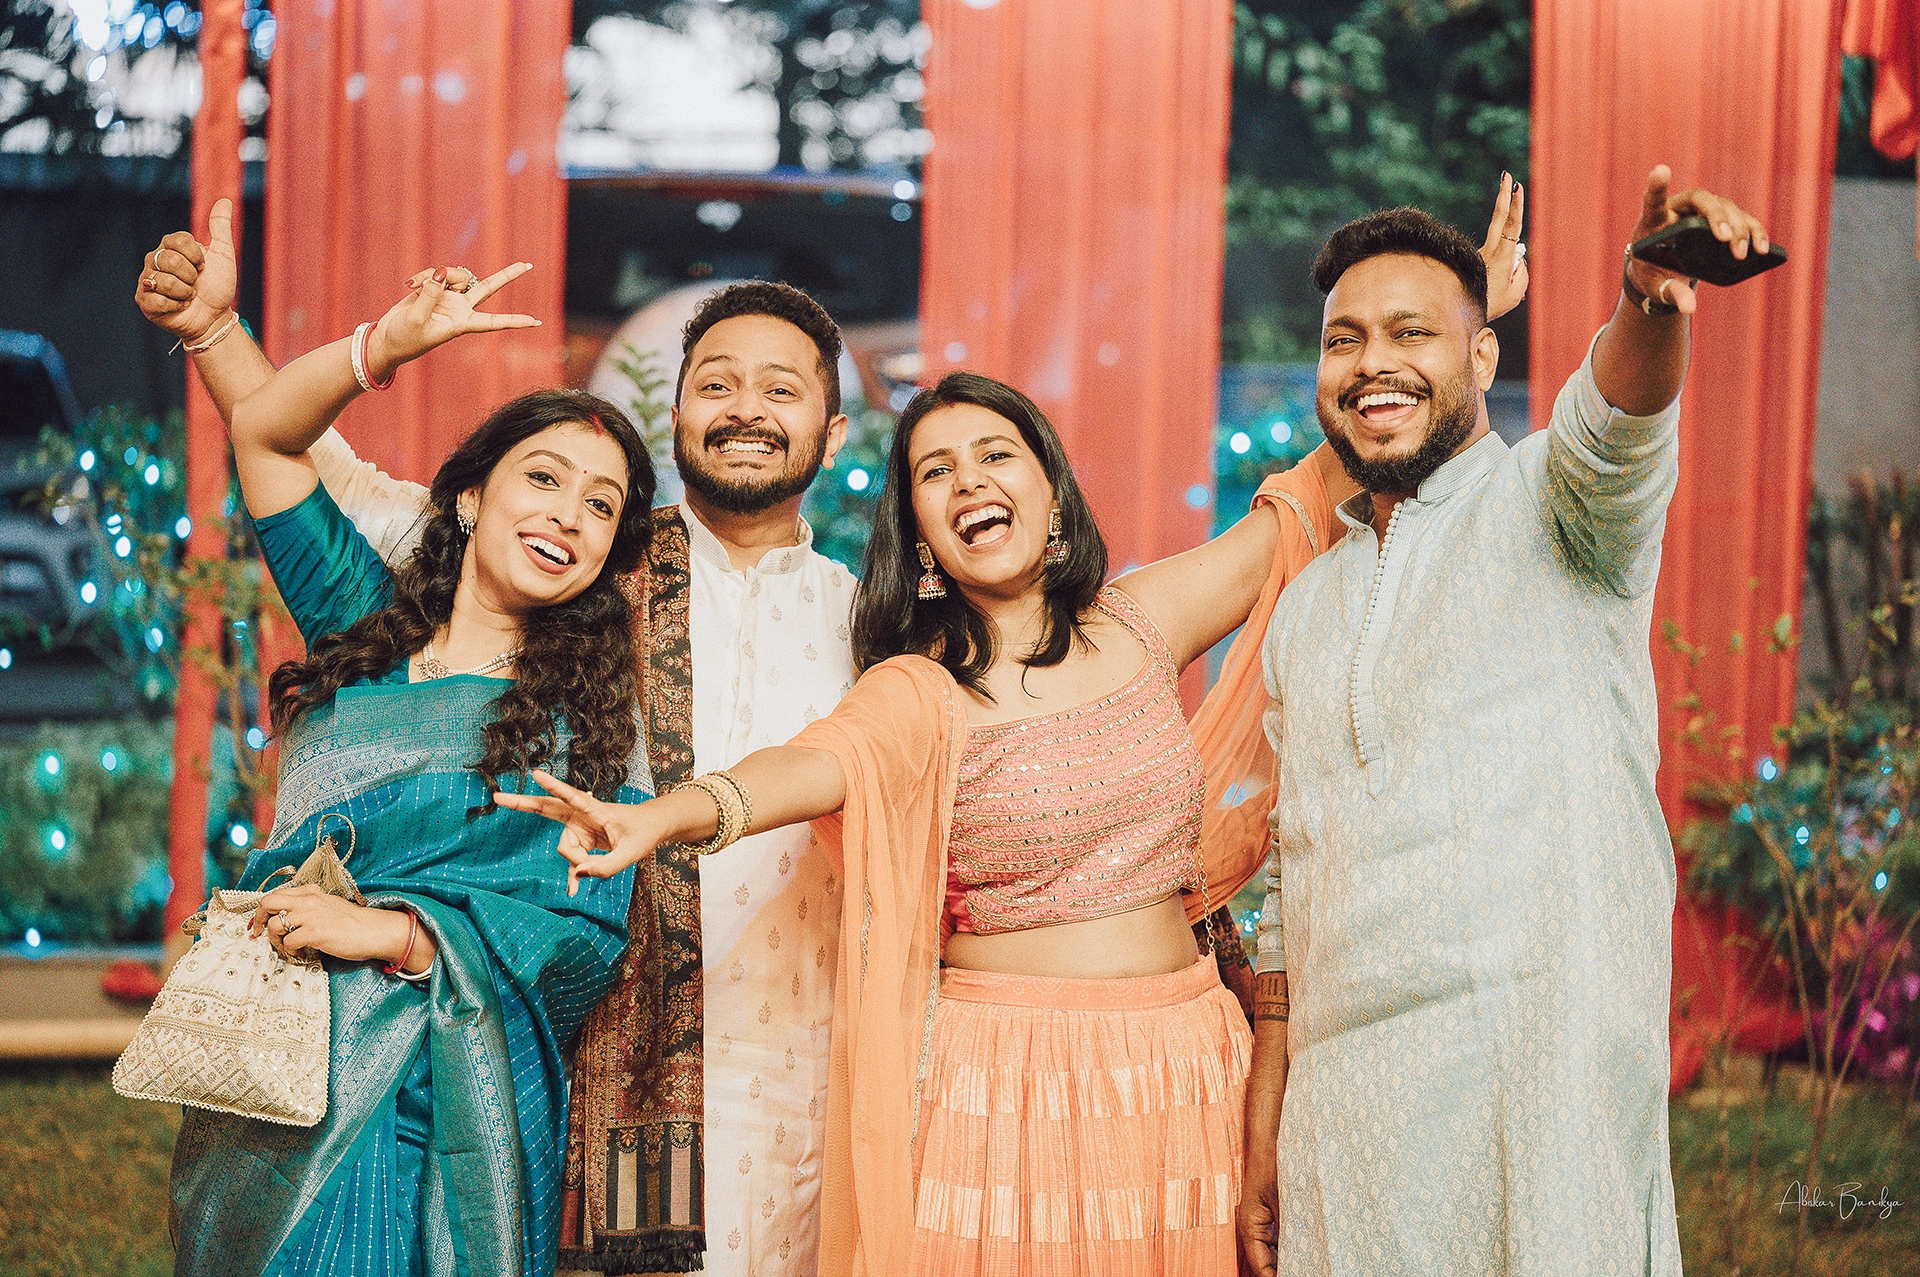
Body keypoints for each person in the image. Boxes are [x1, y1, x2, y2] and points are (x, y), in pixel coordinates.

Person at [138, 224, 860, 1275]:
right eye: (717, 383)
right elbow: (288, 449)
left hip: (781, 1067)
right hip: (360, 1064)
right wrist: (240, 333)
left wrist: (402, 935)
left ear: (832, 432)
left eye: (780, 388)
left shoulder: (862, 622)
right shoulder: (489, 607)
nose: (567, 516)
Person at [1234, 166, 1769, 1277]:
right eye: (1344, 340)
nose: (1372, 362)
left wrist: (1645, 298)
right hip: (1348, 1139)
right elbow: (1289, 886)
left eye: (1412, 333)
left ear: (1482, 357)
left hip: (1540, 1110)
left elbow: (1615, 429)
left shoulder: (1553, 511)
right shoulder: (1306, 612)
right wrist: (1268, 1116)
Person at [158, 221, 658, 1277]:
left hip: (443, 1094)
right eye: (543, 478)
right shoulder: (358, 623)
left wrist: (402, 934)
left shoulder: (585, 722)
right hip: (273, 1068)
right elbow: (264, 437)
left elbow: (579, 937)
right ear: (471, 495)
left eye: (600, 506)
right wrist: (379, 348)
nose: (568, 516)